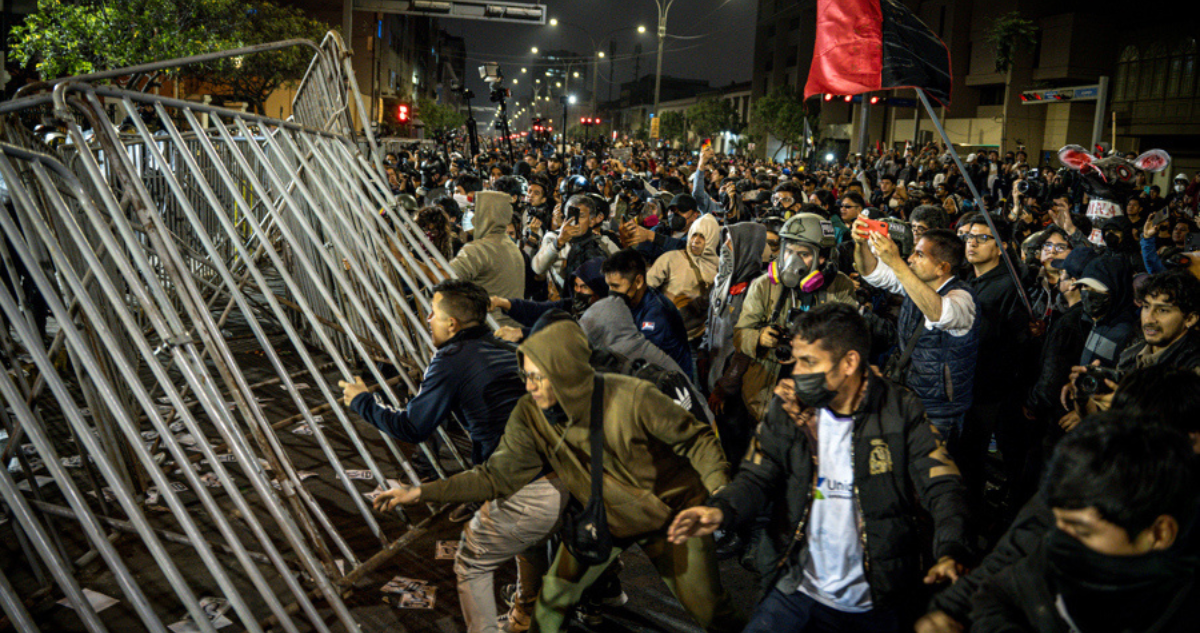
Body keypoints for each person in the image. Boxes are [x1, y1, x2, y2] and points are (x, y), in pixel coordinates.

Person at [373, 318, 744, 633]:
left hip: (674, 516)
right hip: (605, 519)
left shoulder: (630, 397)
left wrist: (718, 496)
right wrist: (421, 493)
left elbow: (697, 441)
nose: (530, 386)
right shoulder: (530, 412)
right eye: (526, 376)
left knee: (709, 610)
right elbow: (495, 476)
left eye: (538, 377)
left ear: (567, 373)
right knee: (552, 599)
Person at [668, 303, 972, 632]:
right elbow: (757, 476)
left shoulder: (900, 410)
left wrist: (950, 549)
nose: (797, 373)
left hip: (877, 599)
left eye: (810, 362)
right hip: (795, 588)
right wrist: (720, 510)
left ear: (849, 362)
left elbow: (942, 487)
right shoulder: (788, 408)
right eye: (796, 360)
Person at [339, 280, 548, 633]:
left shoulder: (452, 359)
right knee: (530, 542)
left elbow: (413, 426)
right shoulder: (499, 344)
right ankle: (529, 609)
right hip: (547, 464)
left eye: (433, 313)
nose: (426, 319)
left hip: (509, 475)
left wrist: (362, 403)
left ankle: (509, 620)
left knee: (472, 560)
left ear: (452, 324)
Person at [969, 413, 1200, 633]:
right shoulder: (1057, 554)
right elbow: (994, 597)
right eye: (1058, 525)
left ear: (1160, 533)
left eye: (1082, 531)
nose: (1058, 542)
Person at [855, 221, 979, 450]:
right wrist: (861, 243)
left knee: (930, 476)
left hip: (939, 413)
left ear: (942, 268)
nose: (910, 259)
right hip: (910, 400)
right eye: (912, 252)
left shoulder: (963, 299)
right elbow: (870, 271)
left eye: (919, 255)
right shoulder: (915, 284)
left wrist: (895, 261)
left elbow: (939, 313)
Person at [732, 212, 857, 420]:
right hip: (765, 395)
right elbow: (740, 335)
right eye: (788, 251)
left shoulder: (841, 287)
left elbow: (849, 341)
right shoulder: (764, 285)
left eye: (804, 254)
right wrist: (759, 338)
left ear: (823, 257)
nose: (793, 260)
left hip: (817, 399)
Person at [702, 221, 769, 464]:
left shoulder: (758, 290)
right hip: (715, 378)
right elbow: (710, 325)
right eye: (725, 242)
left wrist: (725, 386)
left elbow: (746, 349)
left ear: (747, 247)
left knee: (739, 448)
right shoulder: (723, 285)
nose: (725, 249)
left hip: (736, 390)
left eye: (732, 243)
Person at [601, 248, 694, 376]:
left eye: (616, 286)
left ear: (638, 282)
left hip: (673, 381)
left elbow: (638, 357)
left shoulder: (657, 313)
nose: (611, 292)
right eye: (609, 286)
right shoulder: (628, 301)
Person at [449, 191, 526, 328]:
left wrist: (413, 263)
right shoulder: (511, 247)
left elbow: (444, 279)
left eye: (475, 210)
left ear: (485, 214)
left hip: (488, 333)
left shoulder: (478, 250)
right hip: (510, 332)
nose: (471, 216)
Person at [647, 213, 720, 338]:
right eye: (693, 235)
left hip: (699, 337)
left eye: (702, 237)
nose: (695, 241)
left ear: (712, 239)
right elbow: (645, 290)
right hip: (666, 334)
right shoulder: (671, 259)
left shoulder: (719, 268)